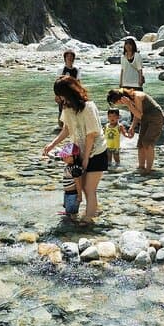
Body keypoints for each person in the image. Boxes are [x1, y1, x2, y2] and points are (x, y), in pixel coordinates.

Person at [43, 75, 108, 222]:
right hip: (79, 151)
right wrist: (52, 144)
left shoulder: (88, 107)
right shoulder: (67, 108)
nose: (59, 99)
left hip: (96, 152)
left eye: (60, 95)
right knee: (83, 188)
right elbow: (66, 129)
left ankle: (88, 221)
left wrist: (85, 159)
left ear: (68, 93)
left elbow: (91, 134)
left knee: (89, 189)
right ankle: (92, 212)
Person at [107, 88, 164, 175]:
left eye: (118, 102)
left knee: (147, 142)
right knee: (140, 144)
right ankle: (141, 166)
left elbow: (140, 115)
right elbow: (137, 114)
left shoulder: (137, 96)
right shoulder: (131, 98)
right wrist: (132, 127)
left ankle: (148, 169)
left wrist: (129, 105)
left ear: (121, 98)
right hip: (146, 118)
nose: (120, 104)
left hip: (156, 118)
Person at [54, 144, 83, 217]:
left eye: (66, 156)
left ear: (74, 156)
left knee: (72, 214)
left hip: (73, 195)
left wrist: (79, 196)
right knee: (68, 210)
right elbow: (55, 157)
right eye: (63, 156)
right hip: (68, 193)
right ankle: (68, 214)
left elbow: (78, 183)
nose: (63, 158)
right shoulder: (69, 165)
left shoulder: (75, 168)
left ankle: (73, 223)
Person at [56, 50, 80, 128]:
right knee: (62, 109)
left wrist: (80, 94)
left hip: (73, 93)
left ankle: (71, 126)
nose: (70, 58)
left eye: (71, 57)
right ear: (65, 58)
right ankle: (61, 127)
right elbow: (57, 83)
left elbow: (78, 83)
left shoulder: (76, 70)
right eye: (68, 57)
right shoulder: (61, 69)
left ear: (74, 58)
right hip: (63, 94)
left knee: (73, 109)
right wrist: (57, 95)